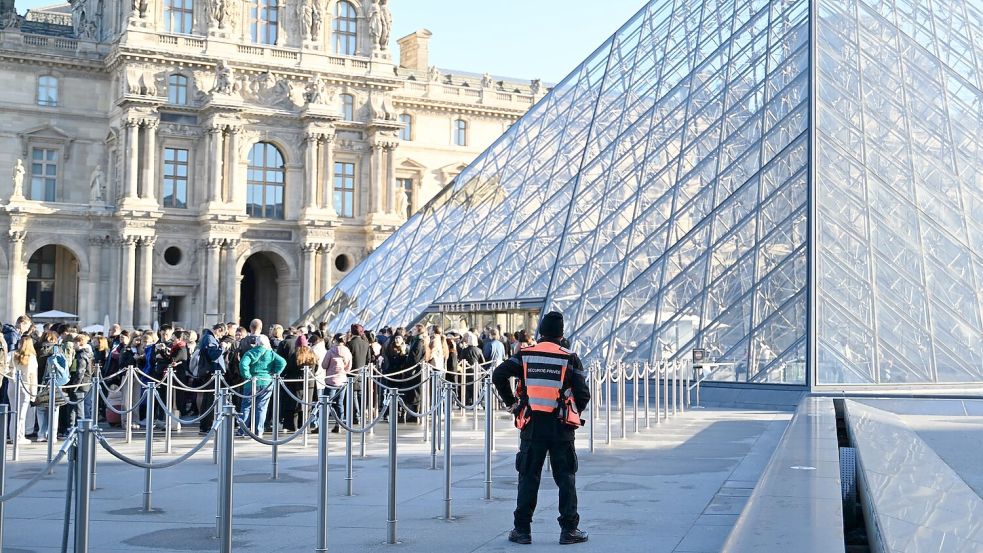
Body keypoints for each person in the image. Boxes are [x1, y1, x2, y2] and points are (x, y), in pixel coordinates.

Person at [492, 311, 590, 545]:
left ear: (541, 332)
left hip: (532, 426)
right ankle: (569, 530)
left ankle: (522, 530)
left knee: (528, 477)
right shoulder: (569, 357)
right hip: (560, 426)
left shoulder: (526, 354)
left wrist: (513, 404)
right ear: (561, 334)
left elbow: (499, 375)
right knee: (565, 478)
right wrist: (572, 410)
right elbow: (583, 394)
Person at [238, 335, 285, 438]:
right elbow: (282, 362)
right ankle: (258, 431)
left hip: (251, 382)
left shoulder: (250, 353)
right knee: (262, 408)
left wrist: (247, 376)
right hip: (266, 382)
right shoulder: (271, 353)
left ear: (257, 342)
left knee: (246, 407)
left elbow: (243, 364)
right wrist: (275, 372)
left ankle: (243, 430)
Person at [6, 335, 38, 444]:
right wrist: (33, 394)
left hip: (12, 385)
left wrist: (11, 372)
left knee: (13, 412)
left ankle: (13, 435)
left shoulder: (11, 354)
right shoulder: (32, 357)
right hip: (25, 387)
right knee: (22, 414)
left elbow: (4, 368)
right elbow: (34, 377)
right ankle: (19, 436)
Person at [197, 324, 227, 435]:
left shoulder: (208, 337)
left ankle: (205, 424)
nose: (221, 336)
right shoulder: (209, 338)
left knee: (208, 399)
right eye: (222, 333)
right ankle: (207, 425)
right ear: (219, 330)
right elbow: (213, 354)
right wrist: (222, 347)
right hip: (211, 372)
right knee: (209, 400)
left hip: (210, 372)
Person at [322, 333, 353, 433]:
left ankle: (323, 424)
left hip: (331, 380)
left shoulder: (331, 351)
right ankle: (338, 424)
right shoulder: (347, 351)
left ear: (334, 340)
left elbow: (324, 365)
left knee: (327, 403)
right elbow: (348, 368)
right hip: (342, 380)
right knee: (340, 403)